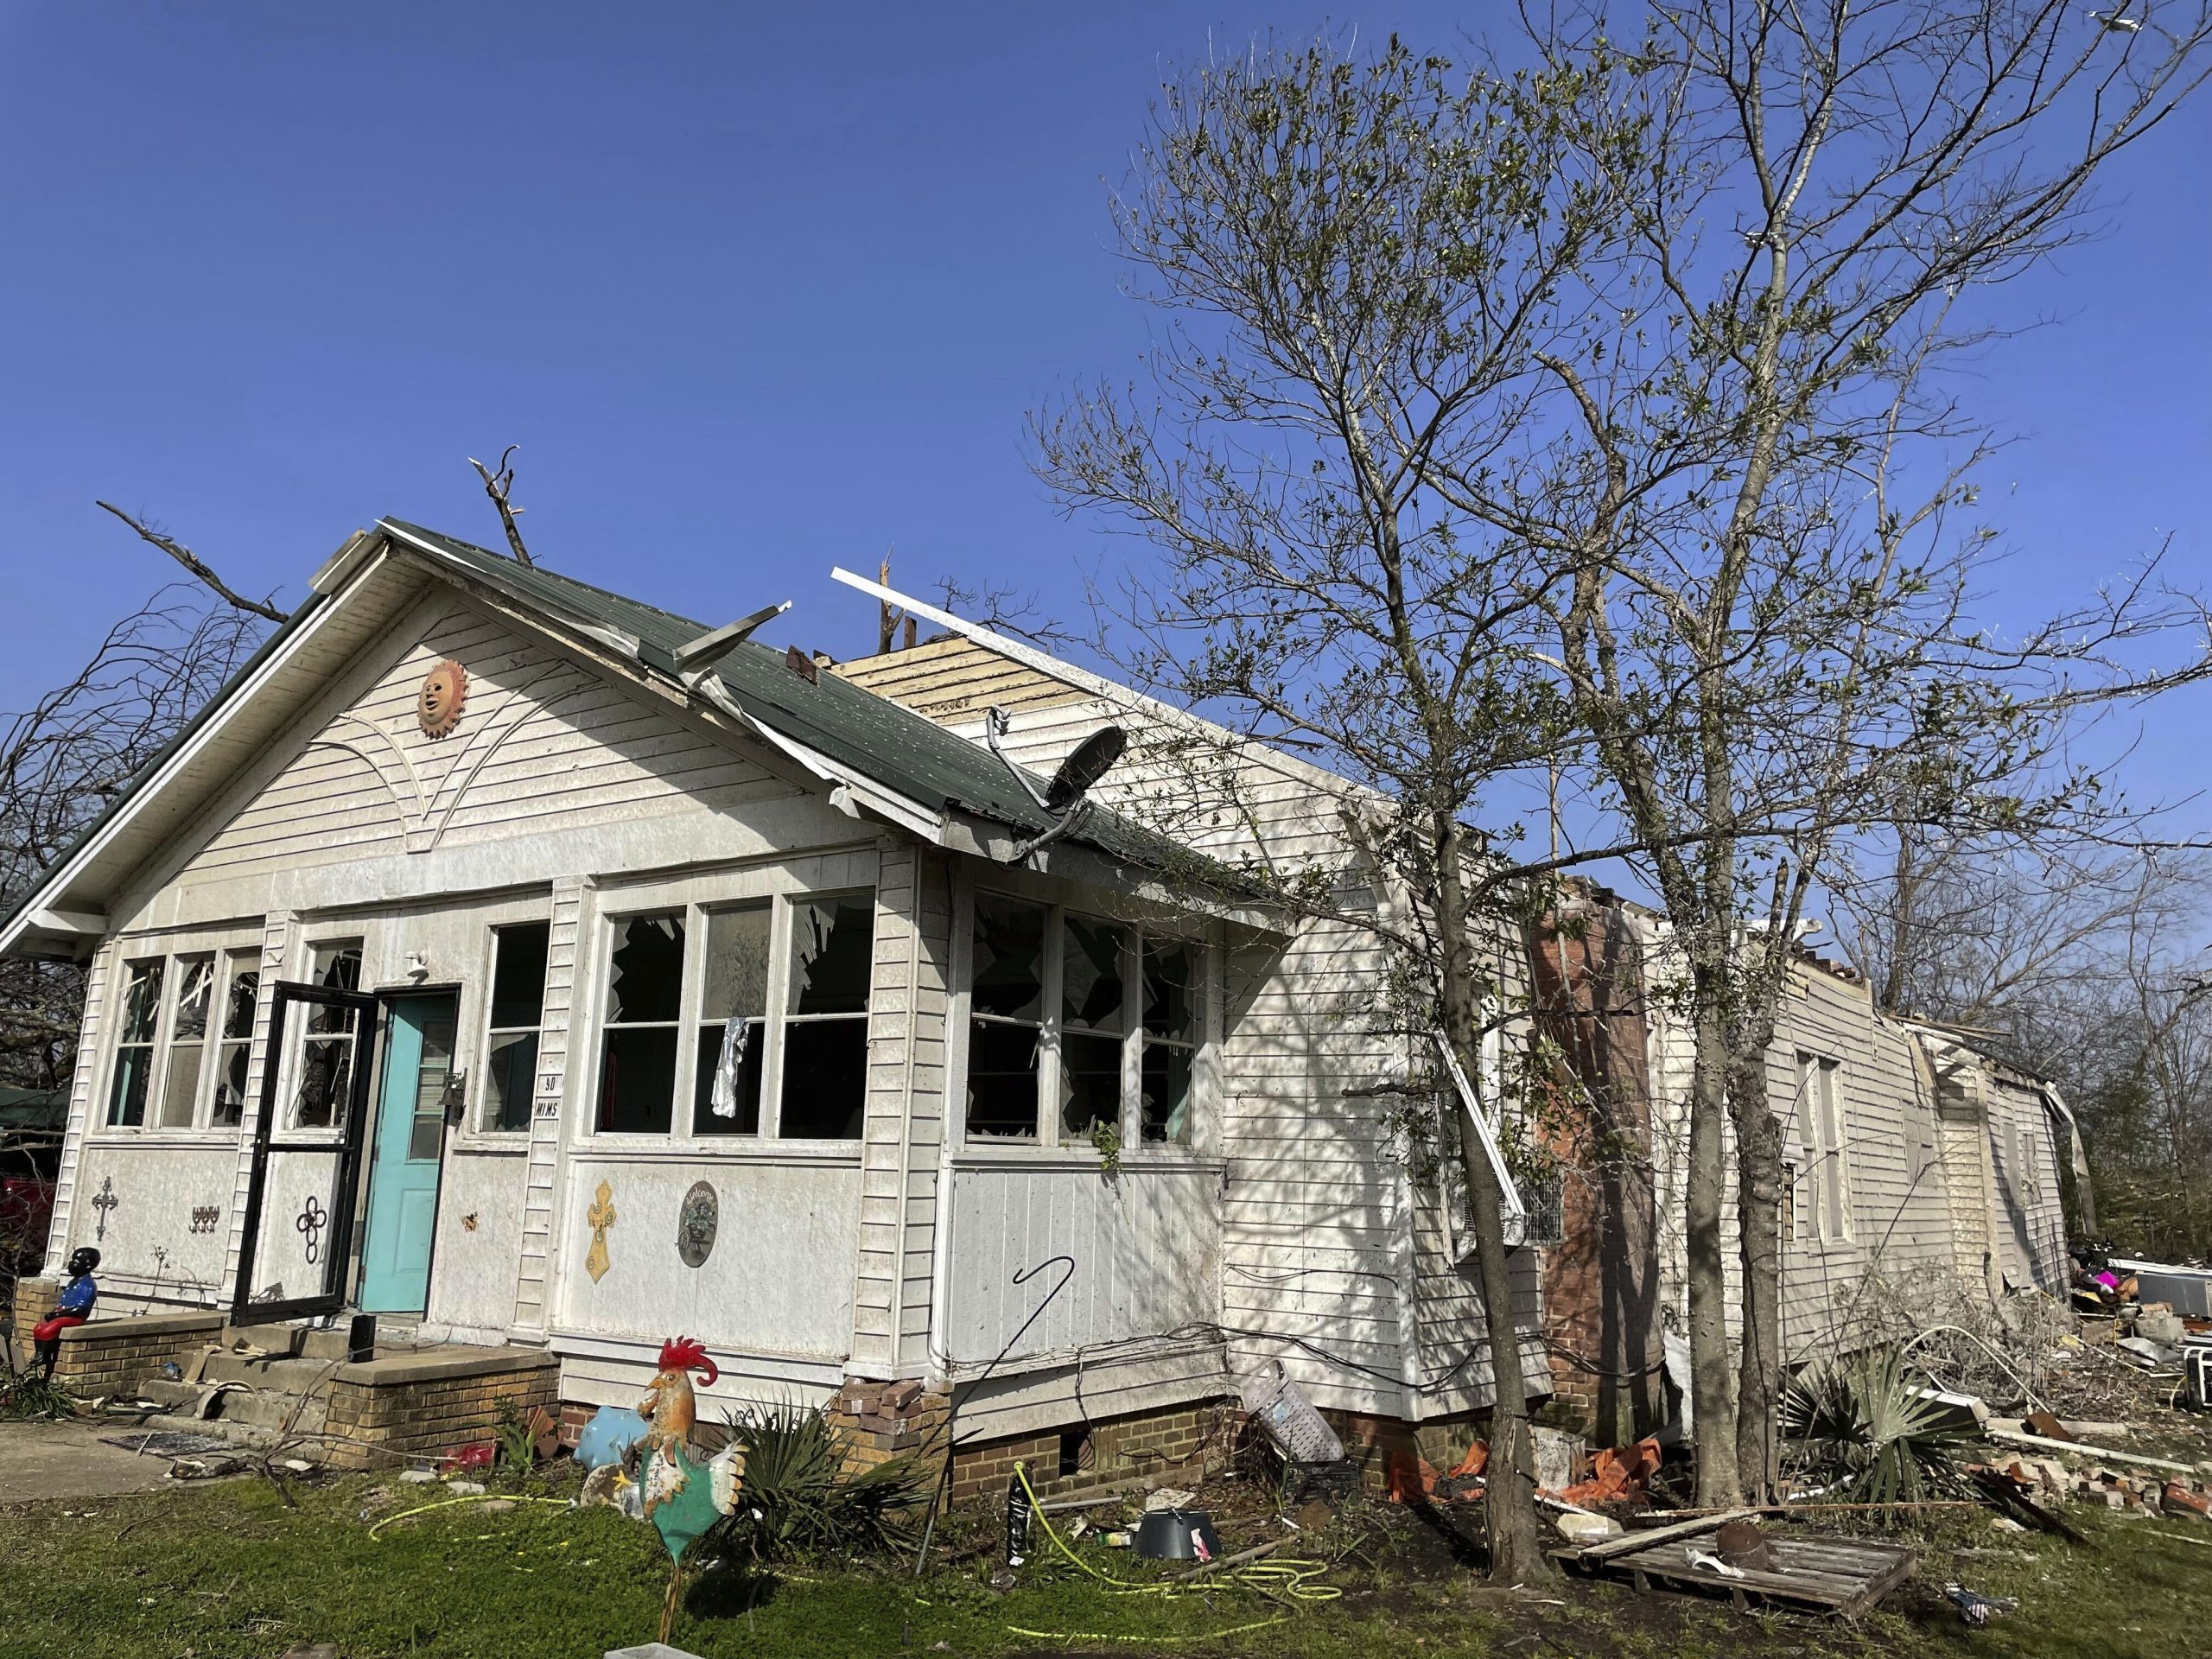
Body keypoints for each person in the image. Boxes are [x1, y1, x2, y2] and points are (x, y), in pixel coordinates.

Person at [32, 1246, 99, 1381]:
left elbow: (80, 1309)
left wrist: (58, 1315)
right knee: (38, 1328)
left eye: (75, 1261)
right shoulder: (73, 1282)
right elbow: (63, 1302)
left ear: (88, 1265)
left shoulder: (87, 1285)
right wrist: (54, 1312)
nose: (71, 1263)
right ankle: (39, 1353)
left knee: (48, 1330)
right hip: (63, 1312)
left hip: (75, 1317)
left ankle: (45, 1356)